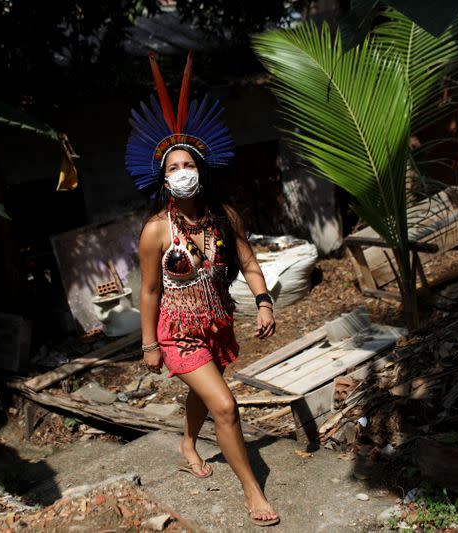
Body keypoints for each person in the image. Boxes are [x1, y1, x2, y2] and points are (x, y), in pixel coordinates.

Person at [126, 51, 280, 527]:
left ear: (201, 167)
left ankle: (188, 443)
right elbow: (149, 291)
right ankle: (253, 491)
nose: (180, 171)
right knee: (225, 406)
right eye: (172, 167)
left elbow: (250, 261)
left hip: (217, 321)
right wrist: (149, 343)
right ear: (163, 177)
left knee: (204, 394)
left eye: (186, 163)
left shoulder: (223, 217)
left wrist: (264, 301)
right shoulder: (155, 231)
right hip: (177, 332)